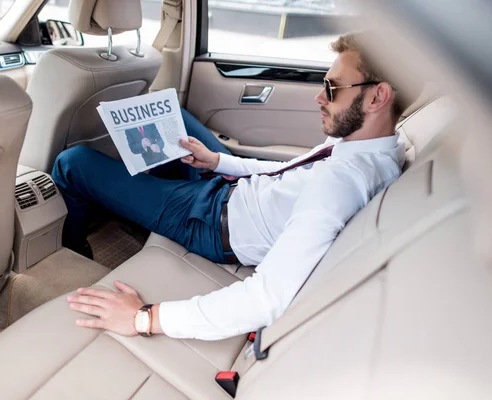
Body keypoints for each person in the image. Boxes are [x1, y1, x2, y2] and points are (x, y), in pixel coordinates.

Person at [53, 32, 419, 340]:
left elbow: (265, 299)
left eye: (332, 88)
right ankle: (145, 192)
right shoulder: (375, 146)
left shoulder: (343, 182)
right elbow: (288, 170)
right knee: (171, 115)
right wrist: (218, 162)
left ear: (377, 96)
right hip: (232, 191)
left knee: (73, 164)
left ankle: (71, 247)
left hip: (207, 221)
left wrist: (144, 318)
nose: (319, 97)